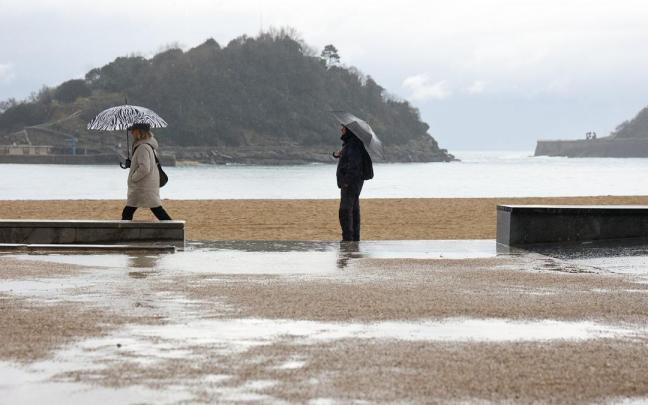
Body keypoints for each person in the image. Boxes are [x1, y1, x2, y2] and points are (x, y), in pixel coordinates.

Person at [121, 123, 172, 221]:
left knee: (128, 211)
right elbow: (145, 164)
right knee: (156, 210)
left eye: (133, 130)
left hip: (142, 186)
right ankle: (173, 228)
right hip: (147, 185)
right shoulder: (149, 145)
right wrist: (131, 164)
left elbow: (144, 168)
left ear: (139, 131)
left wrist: (133, 177)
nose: (131, 132)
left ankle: (174, 229)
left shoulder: (142, 147)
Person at [334, 125, 373, 241]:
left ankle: (348, 238)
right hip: (354, 182)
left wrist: (346, 181)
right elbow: (349, 160)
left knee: (345, 210)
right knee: (353, 210)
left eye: (343, 128)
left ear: (349, 131)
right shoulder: (350, 144)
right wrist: (338, 154)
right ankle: (354, 238)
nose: (341, 130)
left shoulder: (353, 145)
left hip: (351, 183)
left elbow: (354, 165)